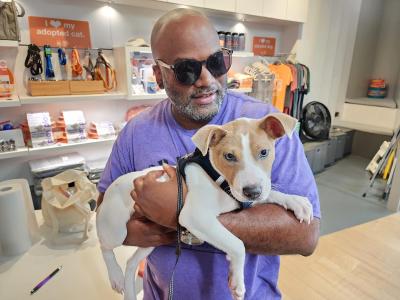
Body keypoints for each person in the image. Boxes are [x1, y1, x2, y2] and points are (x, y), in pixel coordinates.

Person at [97, 8, 320, 300]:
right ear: (159, 75)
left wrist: (179, 217)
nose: (206, 80)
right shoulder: (136, 132)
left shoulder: (266, 126)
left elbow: (306, 236)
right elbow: (104, 211)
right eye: (186, 69)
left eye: (217, 62)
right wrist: (144, 229)